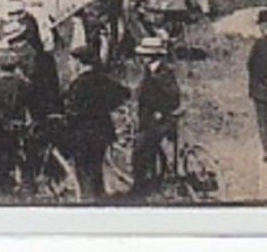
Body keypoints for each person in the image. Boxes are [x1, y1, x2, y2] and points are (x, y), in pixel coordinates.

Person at [62, 43, 130, 200]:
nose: (70, 64)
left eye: (72, 61)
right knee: (96, 168)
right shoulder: (102, 80)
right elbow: (124, 93)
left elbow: (73, 113)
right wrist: (106, 107)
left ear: (79, 62)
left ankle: (88, 200)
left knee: (83, 169)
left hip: (82, 134)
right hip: (102, 131)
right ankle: (98, 197)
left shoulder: (78, 84)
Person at [131, 36, 182, 198]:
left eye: (145, 55)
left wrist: (160, 110)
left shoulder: (164, 73)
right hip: (149, 119)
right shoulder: (150, 71)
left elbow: (174, 97)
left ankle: (140, 189)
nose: (143, 58)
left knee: (139, 152)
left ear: (153, 56)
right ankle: (153, 182)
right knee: (149, 151)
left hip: (159, 120)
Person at [247, 9, 267, 164]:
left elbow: (252, 65)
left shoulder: (259, 44)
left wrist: (264, 79)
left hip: (261, 91)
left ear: (264, 25)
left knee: (262, 122)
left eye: (260, 25)